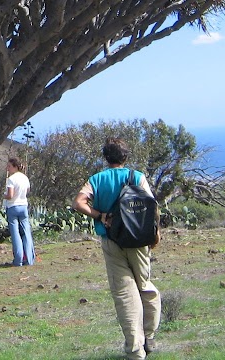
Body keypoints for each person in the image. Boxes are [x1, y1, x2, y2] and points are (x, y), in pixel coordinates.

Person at [73, 138, 161, 360]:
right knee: (145, 286)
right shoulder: (137, 177)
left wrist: (99, 215)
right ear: (125, 157)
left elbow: (79, 203)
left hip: (112, 240)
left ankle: (135, 349)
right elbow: (152, 207)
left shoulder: (97, 179)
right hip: (139, 240)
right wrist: (155, 234)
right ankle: (149, 335)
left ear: (106, 157)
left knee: (124, 294)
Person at [3, 157, 35, 266]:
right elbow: (27, 191)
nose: (8, 168)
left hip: (13, 207)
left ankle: (18, 259)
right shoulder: (25, 178)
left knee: (15, 233)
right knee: (26, 233)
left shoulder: (11, 179)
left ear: (15, 167)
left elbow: (10, 195)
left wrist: (4, 196)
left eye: (9, 166)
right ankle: (29, 258)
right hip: (23, 206)